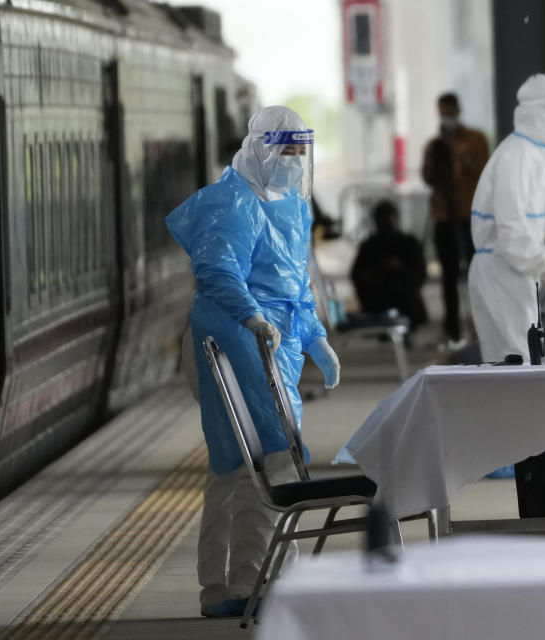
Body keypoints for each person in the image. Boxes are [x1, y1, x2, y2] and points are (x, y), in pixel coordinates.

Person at [165, 106, 341, 618]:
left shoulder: (290, 205)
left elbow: (296, 286)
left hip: (270, 347)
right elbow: (218, 271)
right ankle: (249, 582)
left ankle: (242, 581)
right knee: (261, 462)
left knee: (241, 467)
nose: (294, 161)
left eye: (299, 151)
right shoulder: (231, 203)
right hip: (230, 338)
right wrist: (252, 318)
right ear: (263, 149)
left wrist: (315, 339)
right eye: (286, 151)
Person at [467, 74, 545, 363]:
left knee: (518, 358)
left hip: (512, 271)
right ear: (542, 113)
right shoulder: (517, 157)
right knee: (515, 359)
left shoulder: (533, 156)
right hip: (502, 270)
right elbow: (512, 228)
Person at [421, 92, 490, 346]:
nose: (446, 117)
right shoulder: (434, 145)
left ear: (458, 110)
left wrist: (459, 154)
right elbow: (428, 178)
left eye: (450, 112)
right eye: (443, 113)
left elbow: (483, 170)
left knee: (475, 271)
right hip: (443, 216)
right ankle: (451, 327)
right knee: (448, 275)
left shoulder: (475, 139)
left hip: (469, 215)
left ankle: (480, 324)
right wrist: (438, 156)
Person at [351, 199, 428, 328]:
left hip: (406, 299)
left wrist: (399, 269)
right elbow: (357, 275)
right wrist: (377, 273)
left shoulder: (408, 243)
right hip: (376, 299)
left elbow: (420, 275)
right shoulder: (369, 245)